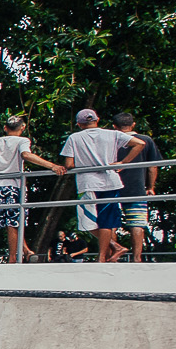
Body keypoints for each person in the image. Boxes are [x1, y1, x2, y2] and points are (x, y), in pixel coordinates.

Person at [60, 109, 143, 263]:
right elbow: (139, 143)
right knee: (107, 221)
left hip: (88, 183)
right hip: (111, 181)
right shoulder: (112, 134)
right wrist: (124, 163)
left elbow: (69, 164)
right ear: (97, 120)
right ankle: (103, 256)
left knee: (86, 221)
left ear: (79, 124)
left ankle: (112, 249)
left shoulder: (74, 138)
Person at [0, 116, 62, 262]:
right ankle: (13, 257)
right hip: (13, 185)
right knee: (13, 223)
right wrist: (52, 166)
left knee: (11, 221)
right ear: (22, 127)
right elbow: (26, 155)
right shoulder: (22, 141)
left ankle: (26, 250)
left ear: (5, 128)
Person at [111, 112, 163, 263]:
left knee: (111, 224)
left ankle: (111, 256)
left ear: (114, 126)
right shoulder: (145, 140)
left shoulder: (112, 141)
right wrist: (150, 187)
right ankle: (137, 258)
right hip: (136, 187)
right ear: (133, 124)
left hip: (112, 186)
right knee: (137, 223)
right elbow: (153, 166)